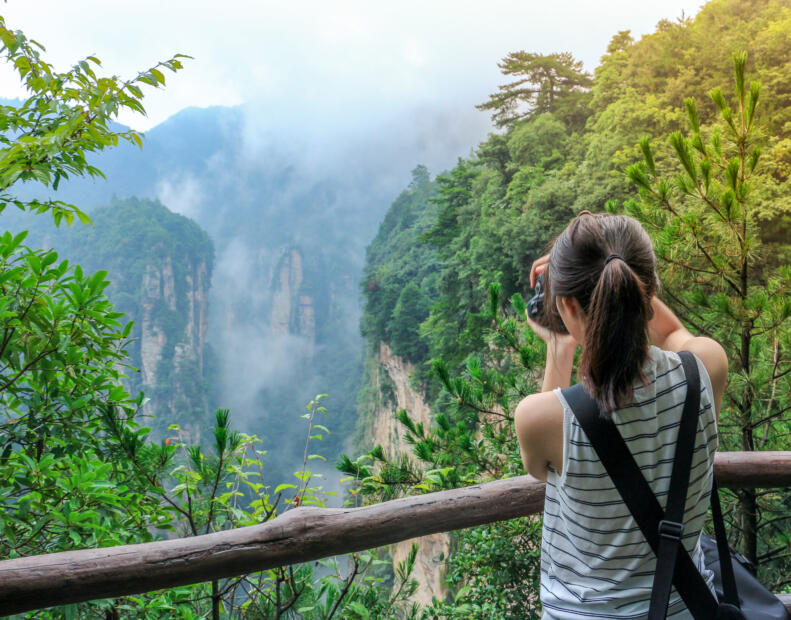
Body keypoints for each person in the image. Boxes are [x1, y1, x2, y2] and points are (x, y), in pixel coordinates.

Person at [514, 211, 729, 619]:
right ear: (647, 293)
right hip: (686, 608)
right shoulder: (705, 367)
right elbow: (669, 333)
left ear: (567, 306)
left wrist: (560, 344)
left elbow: (542, 467)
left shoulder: (540, 418)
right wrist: (618, 271)